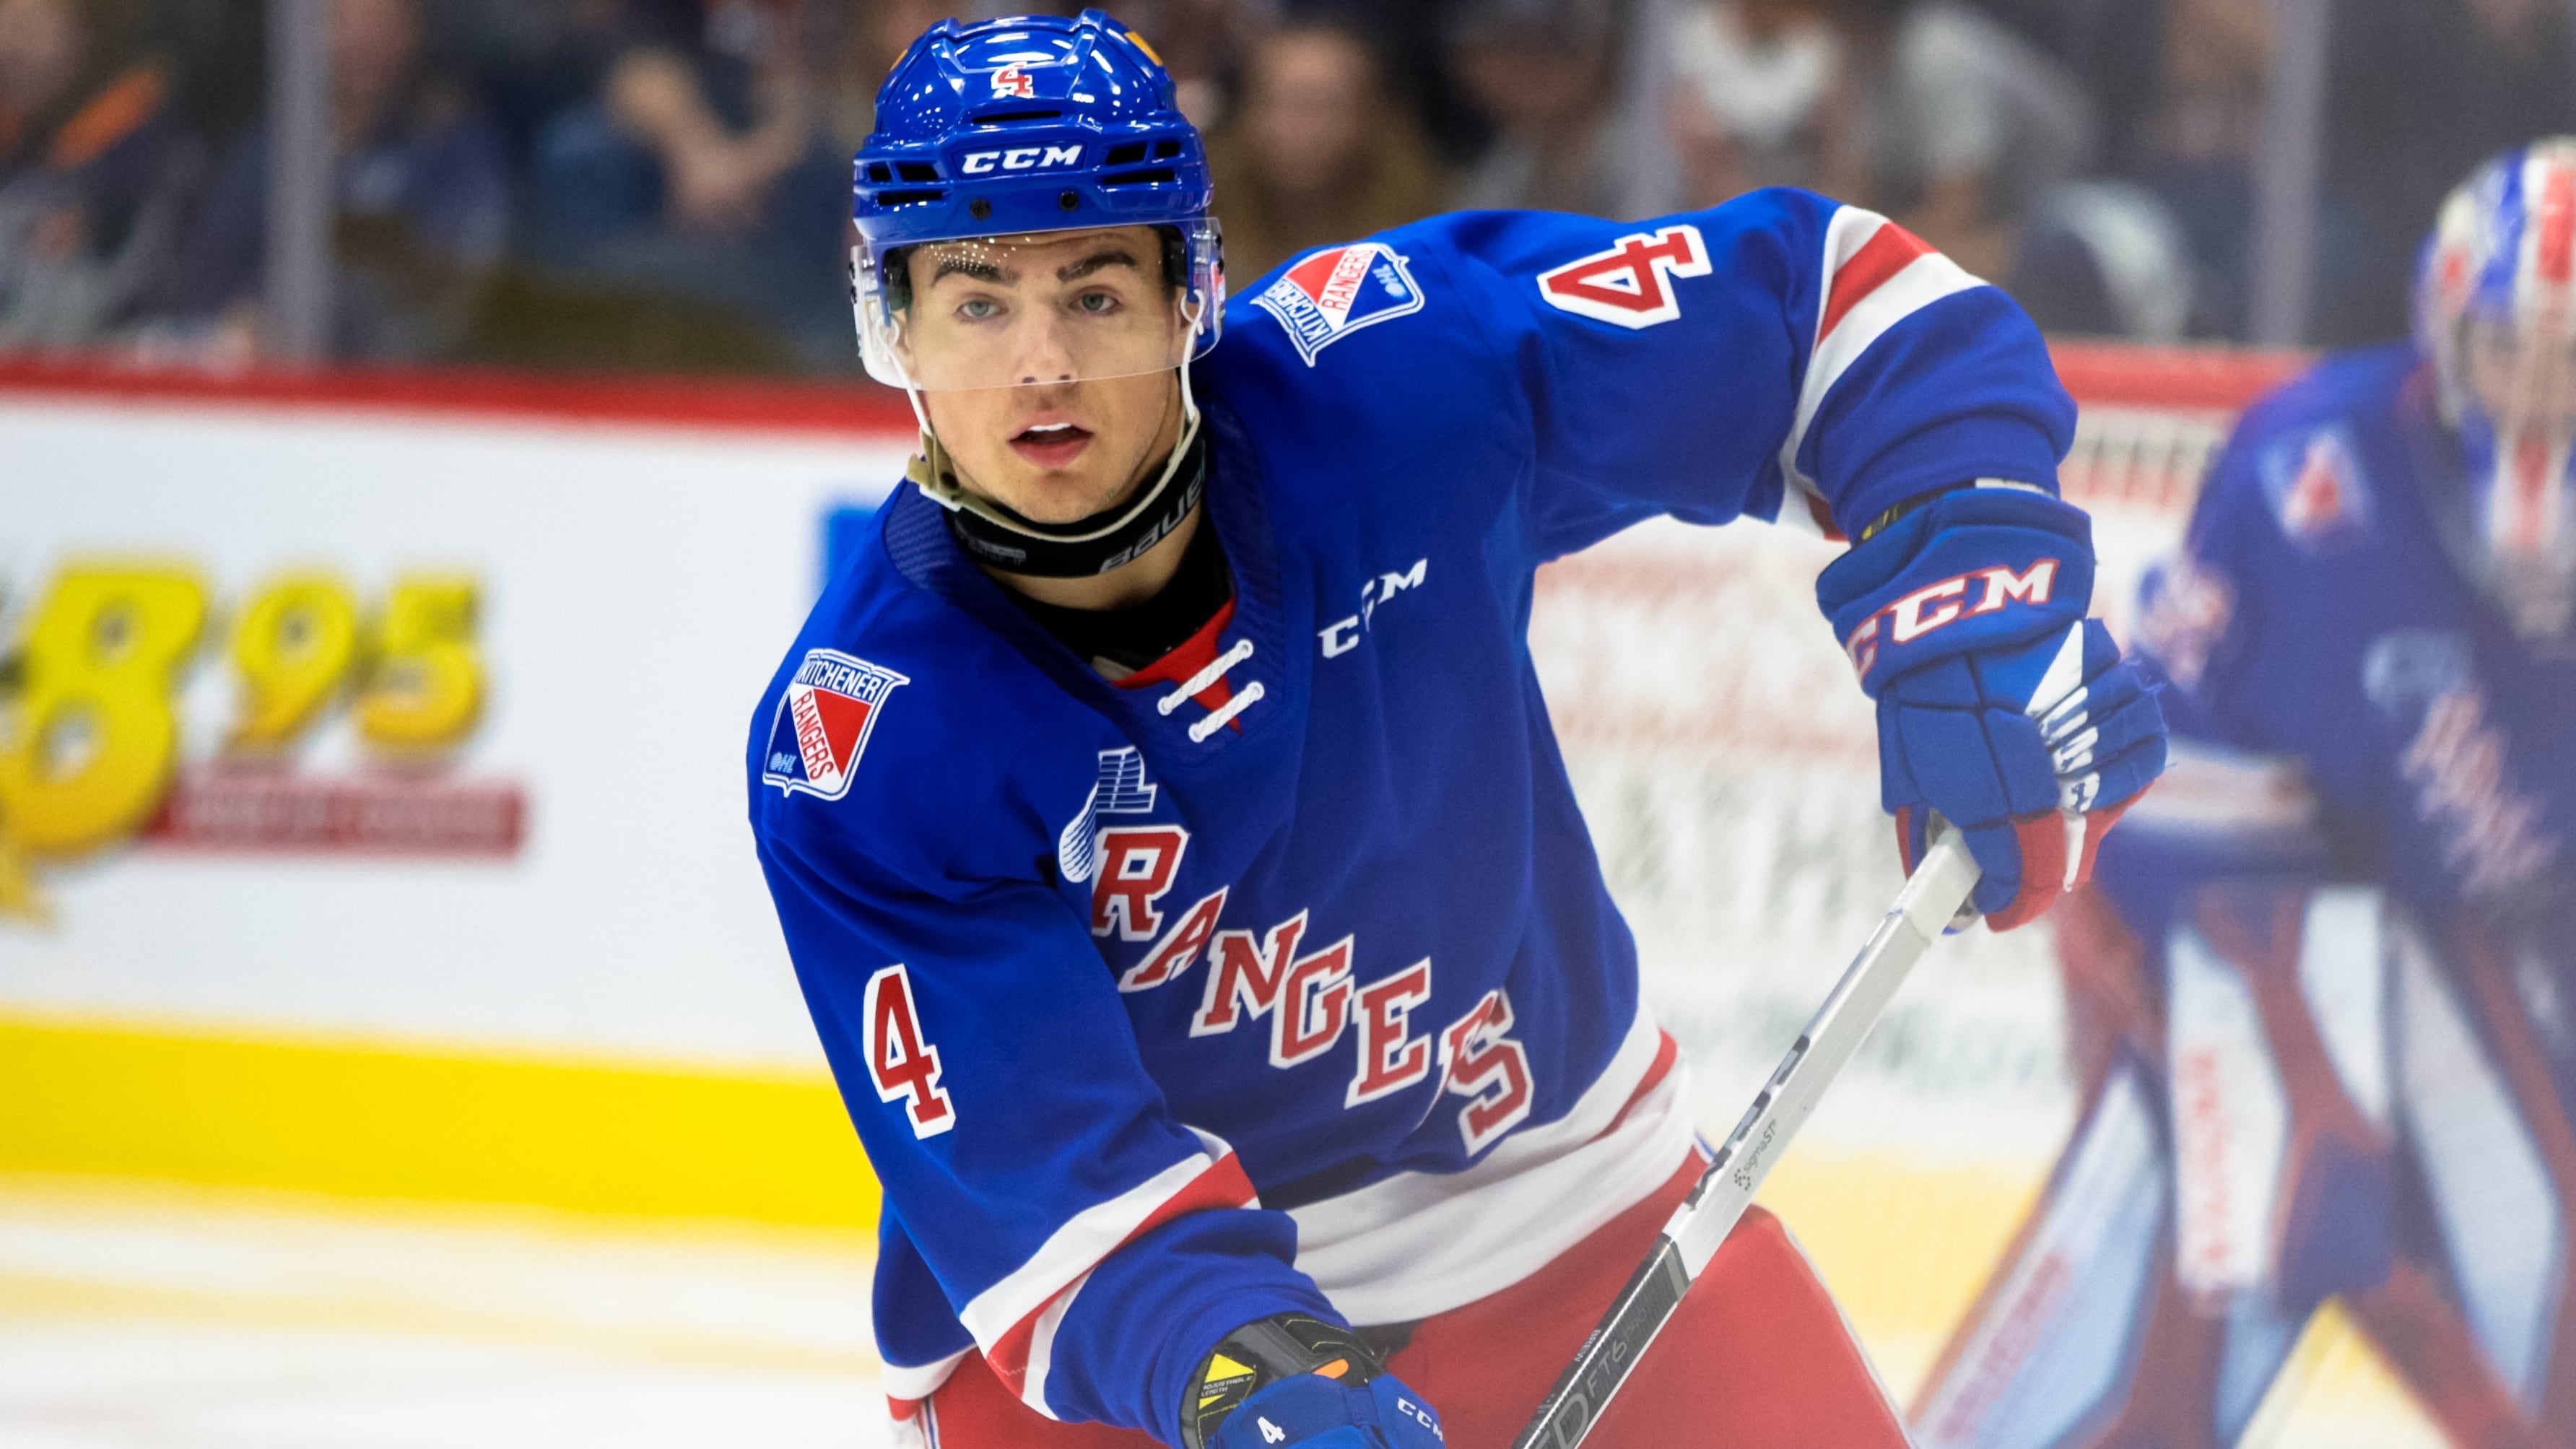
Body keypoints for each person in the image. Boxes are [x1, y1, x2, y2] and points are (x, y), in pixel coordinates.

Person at [746, 9, 2165, 1448]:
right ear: (893, 323)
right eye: (977, 301)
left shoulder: (1392, 375)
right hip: (1137, 1366)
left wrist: (1979, 600)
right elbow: (1056, 1198)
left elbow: (1833, 303)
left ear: (1189, 297)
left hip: (1574, 1216)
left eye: (1095, 292)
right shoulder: (865, 747)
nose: (1040, 364)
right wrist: (1259, 1382)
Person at [1910, 139, 2576, 1449]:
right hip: (2245, 928)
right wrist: (2240, 988)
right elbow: (2154, 763)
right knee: (2196, 1275)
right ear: (2447, 328)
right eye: (2516, 347)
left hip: (2496, 956)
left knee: (2544, 1287)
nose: (2545, 393)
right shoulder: (2309, 466)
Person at [172, 0, 508, 361]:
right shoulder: (269, 154)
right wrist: (241, 324)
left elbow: (461, 288)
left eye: (381, 23)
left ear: (414, 32)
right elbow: (208, 282)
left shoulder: (449, 149)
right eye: (344, 22)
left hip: (403, 382)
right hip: (272, 380)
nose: (362, 41)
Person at [0, 0, 197, 350]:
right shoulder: (22, 127)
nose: (14, 48)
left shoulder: (137, 134)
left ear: (82, 34)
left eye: (31, 27)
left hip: (106, 346)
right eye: (9, 24)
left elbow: (143, 277)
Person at [1204, 15, 1442, 285]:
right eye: (1286, 104)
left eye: (1327, 105)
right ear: (1244, 115)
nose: (1305, 127)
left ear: (1375, 117)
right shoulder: (1201, 241)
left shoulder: (1424, 243)